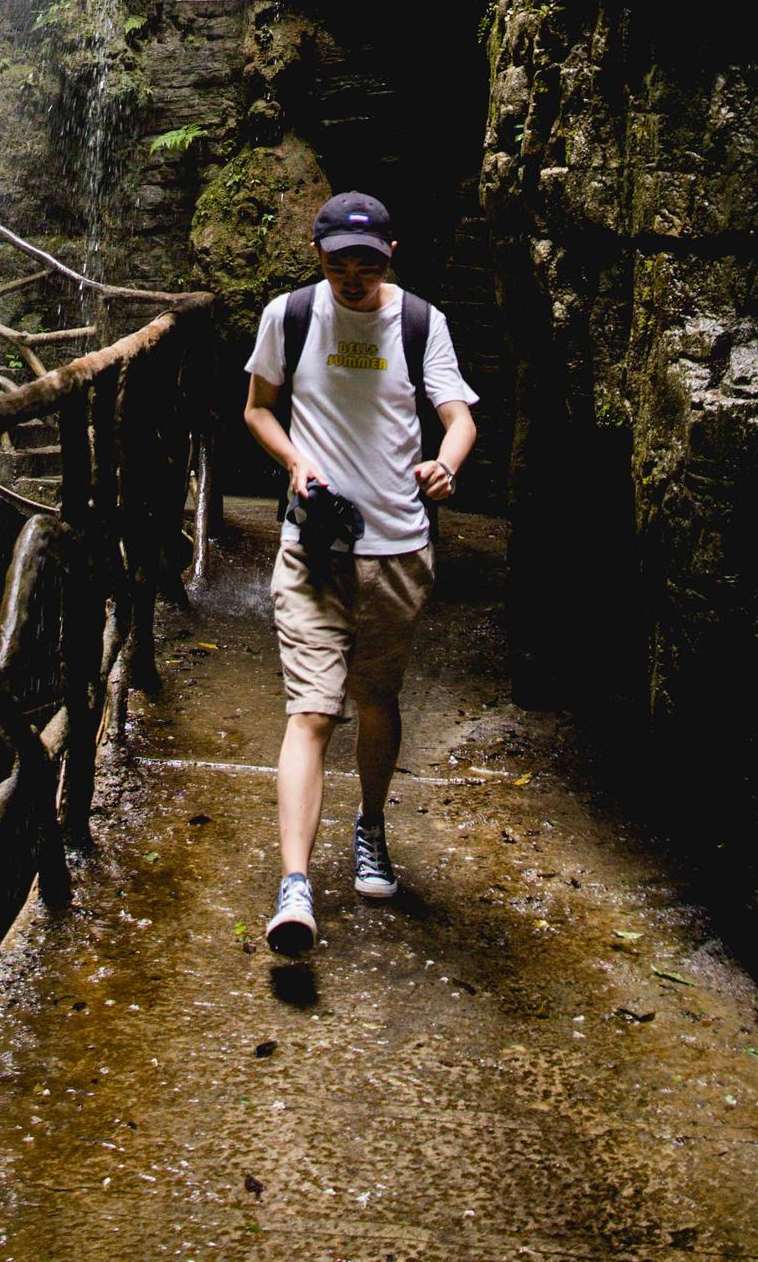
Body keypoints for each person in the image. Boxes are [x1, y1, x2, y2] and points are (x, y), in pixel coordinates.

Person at [243, 190, 478, 960]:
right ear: (319, 256)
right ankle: (296, 885)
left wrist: (445, 465)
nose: (353, 278)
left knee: (376, 699)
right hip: (314, 548)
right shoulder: (291, 316)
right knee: (311, 710)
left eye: (367, 264)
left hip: (398, 550)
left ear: (390, 256)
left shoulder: (419, 322)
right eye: (340, 262)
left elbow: (459, 415)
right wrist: (295, 460)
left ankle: (370, 826)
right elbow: (258, 408)